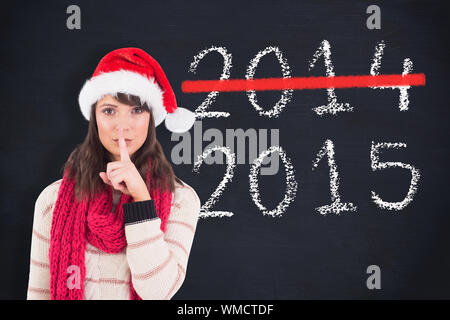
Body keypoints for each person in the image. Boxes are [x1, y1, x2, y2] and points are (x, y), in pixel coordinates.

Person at [27, 48, 200, 300]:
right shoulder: (51, 201)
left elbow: (157, 292)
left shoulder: (181, 199)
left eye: (137, 110)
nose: (122, 125)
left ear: (151, 118)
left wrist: (142, 199)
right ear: (94, 118)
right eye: (109, 110)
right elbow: (39, 295)